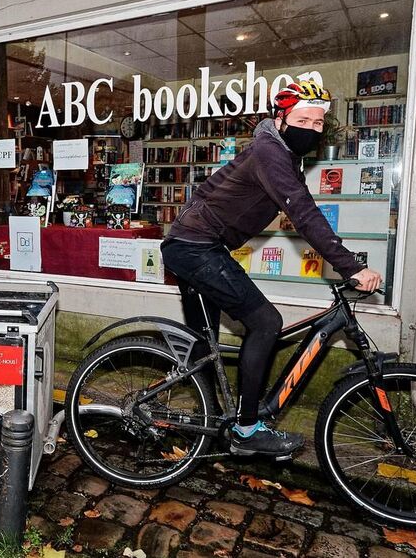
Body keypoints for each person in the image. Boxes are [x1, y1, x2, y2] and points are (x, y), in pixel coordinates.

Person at [160, 80, 383, 457]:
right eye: (303, 119)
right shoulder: (269, 152)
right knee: (266, 323)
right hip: (195, 248)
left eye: (317, 124)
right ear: (281, 119)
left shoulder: (280, 154)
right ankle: (247, 429)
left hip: (194, 245)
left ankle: (210, 424)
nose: (311, 129)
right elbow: (304, 214)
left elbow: (301, 208)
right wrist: (350, 267)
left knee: (205, 342)